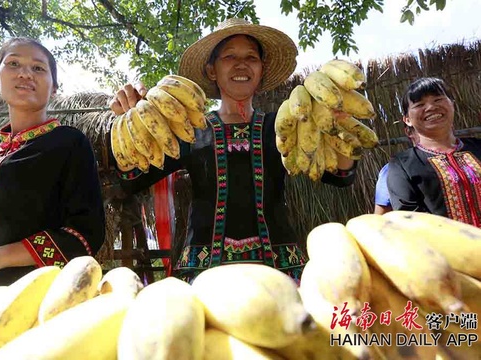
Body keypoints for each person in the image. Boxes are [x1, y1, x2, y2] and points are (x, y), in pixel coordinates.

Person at [109, 18, 357, 284]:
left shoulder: (284, 125)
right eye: (230, 56)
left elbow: (341, 175)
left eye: (251, 57)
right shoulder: (190, 130)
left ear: (261, 71)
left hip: (280, 271)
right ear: (212, 70)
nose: (241, 64)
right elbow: (131, 178)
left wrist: (339, 121)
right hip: (204, 273)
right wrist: (130, 123)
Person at [0, 38, 105, 290]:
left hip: (29, 297)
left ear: (54, 88)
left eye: (38, 68)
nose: (25, 73)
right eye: (14, 63)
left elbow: (83, 236)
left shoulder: (69, 143)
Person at [387, 77, 481, 226]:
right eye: (419, 104)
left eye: (438, 99)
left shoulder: (478, 147)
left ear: (452, 105)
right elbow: (409, 218)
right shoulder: (401, 165)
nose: (431, 107)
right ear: (407, 120)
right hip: (447, 248)